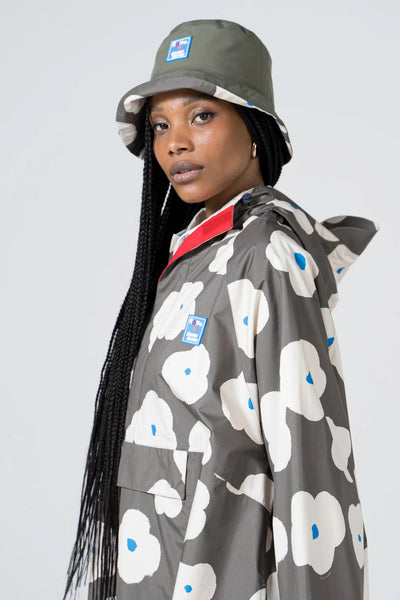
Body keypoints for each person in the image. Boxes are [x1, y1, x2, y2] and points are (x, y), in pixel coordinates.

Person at [65, 19, 377, 600]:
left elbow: (311, 471)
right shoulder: (188, 256)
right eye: (161, 125)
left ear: (255, 128)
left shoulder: (268, 256)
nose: (174, 143)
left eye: (201, 115)